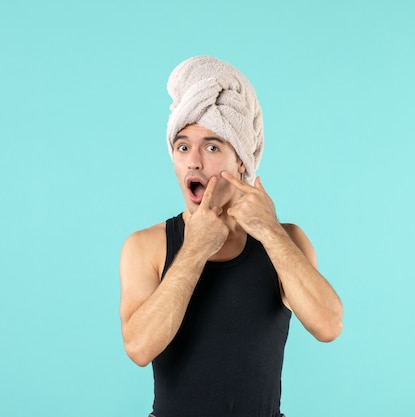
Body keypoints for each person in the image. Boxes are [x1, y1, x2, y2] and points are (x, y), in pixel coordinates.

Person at [119, 56, 343, 417]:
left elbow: (329, 325)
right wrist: (194, 248)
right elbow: (139, 348)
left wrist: (269, 230)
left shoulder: (286, 240)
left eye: (211, 147)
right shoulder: (146, 246)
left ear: (240, 161)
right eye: (182, 147)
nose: (194, 161)